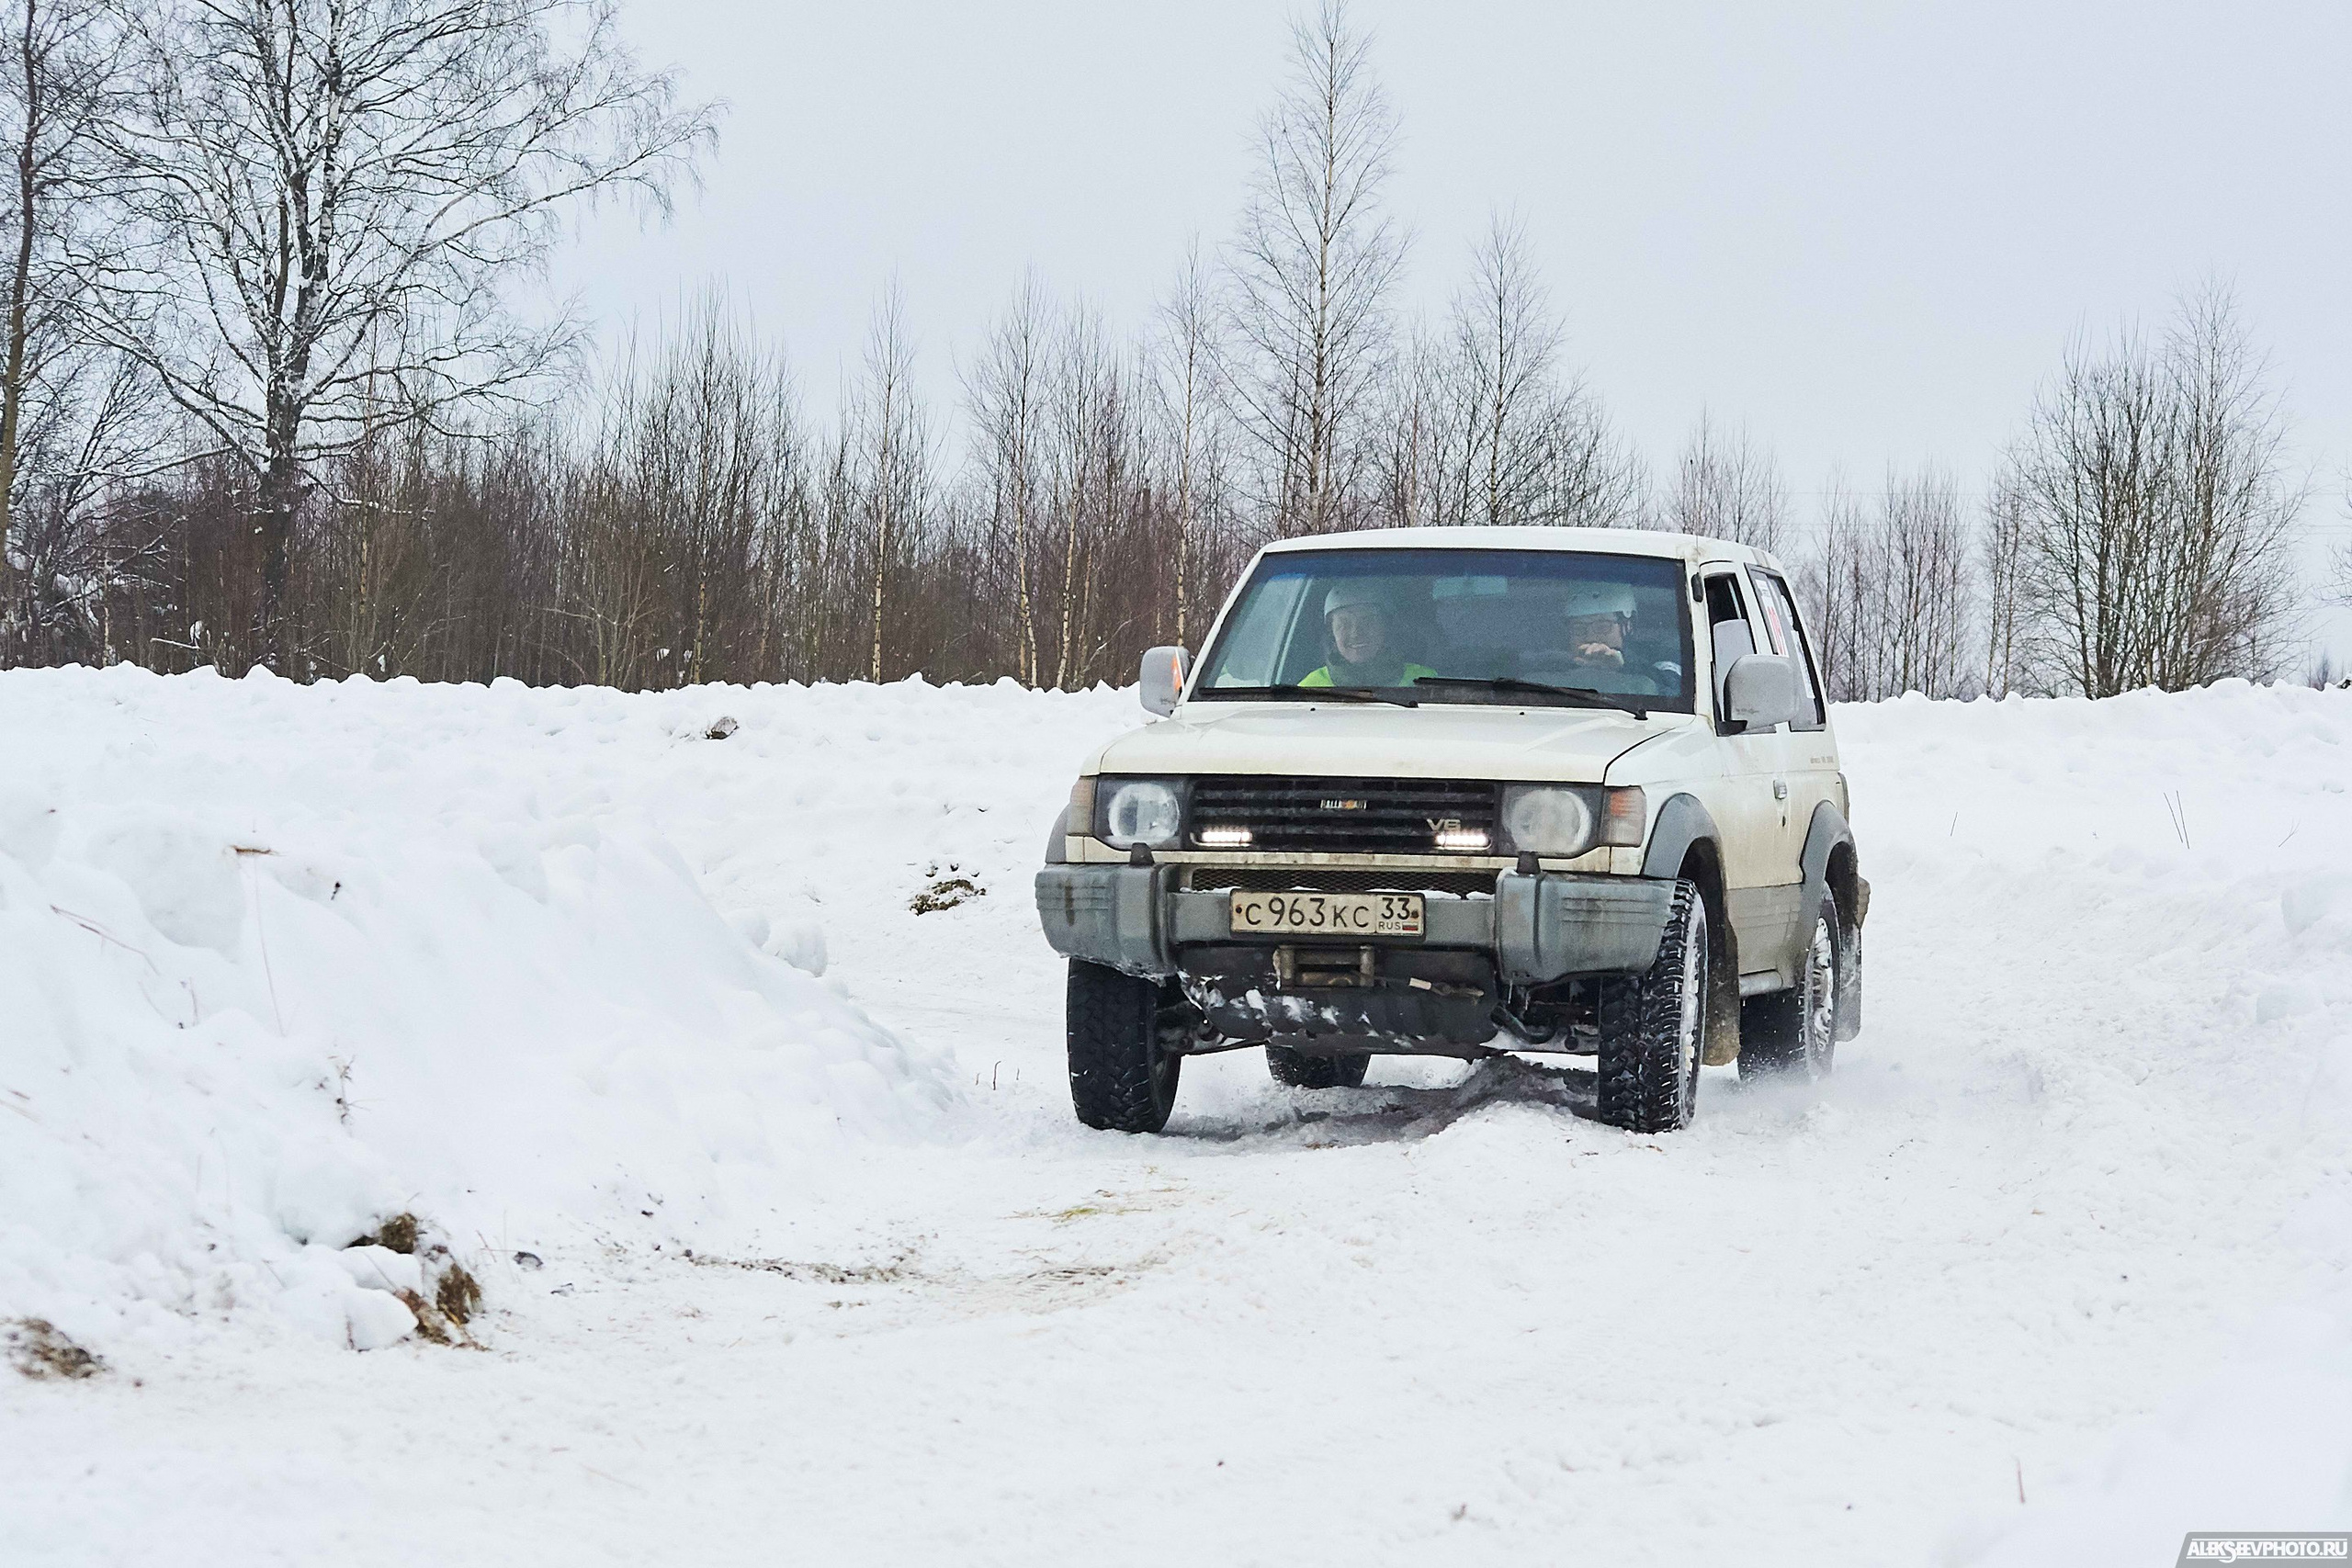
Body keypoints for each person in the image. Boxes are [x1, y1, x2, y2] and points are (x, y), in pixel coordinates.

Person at [1299, 581, 1436, 689]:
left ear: (1386, 628)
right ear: (1332, 635)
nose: (1356, 633)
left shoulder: (1425, 681)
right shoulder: (1308, 689)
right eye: (1343, 624)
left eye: (1368, 621)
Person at [1558, 581, 1663, 695]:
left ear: (1627, 627)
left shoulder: (1657, 657)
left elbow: (1671, 693)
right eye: (1578, 628)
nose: (1590, 637)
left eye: (1602, 626)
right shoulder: (1554, 665)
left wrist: (1623, 669)